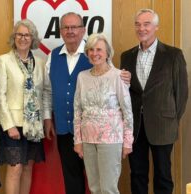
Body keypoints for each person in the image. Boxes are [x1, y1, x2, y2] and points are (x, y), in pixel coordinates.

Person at [43, 12, 132, 194]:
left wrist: (126, 79)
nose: (70, 31)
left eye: (74, 27)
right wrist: (47, 118)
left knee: (105, 185)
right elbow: (48, 90)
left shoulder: (99, 58)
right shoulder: (54, 57)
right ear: (60, 31)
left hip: (107, 137)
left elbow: (118, 89)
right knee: (74, 178)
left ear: (83, 30)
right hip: (69, 130)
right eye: (66, 27)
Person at [120, 9, 188, 194]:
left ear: (156, 27)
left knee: (163, 175)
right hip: (135, 126)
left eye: (146, 24)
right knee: (138, 175)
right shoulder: (127, 56)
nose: (141, 28)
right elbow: (125, 92)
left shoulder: (173, 55)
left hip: (163, 125)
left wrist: (171, 119)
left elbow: (181, 94)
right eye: (138, 24)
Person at [73, 33, 134, 194]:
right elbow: (77, 110)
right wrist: (77, 140)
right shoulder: (82, 77)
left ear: (107, 52)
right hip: (87, 139)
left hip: (111, 140)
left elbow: (127, 111)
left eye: (99, 49)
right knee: (94, 187)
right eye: (91, 50)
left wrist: (128, 142)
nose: (95, 53)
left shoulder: (118, 76)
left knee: (108, 189)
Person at [0, 19, 45, 194]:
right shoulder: (3, 60)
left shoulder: (40, 62)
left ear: (32, 38)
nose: (23, 38)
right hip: (12, 125)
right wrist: (9, 126)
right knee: (15, 169)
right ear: (14, 37)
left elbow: (44, 93)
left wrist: (45, 120)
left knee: (27, 168)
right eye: (19, 34)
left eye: (27, 35)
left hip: (34, 125)